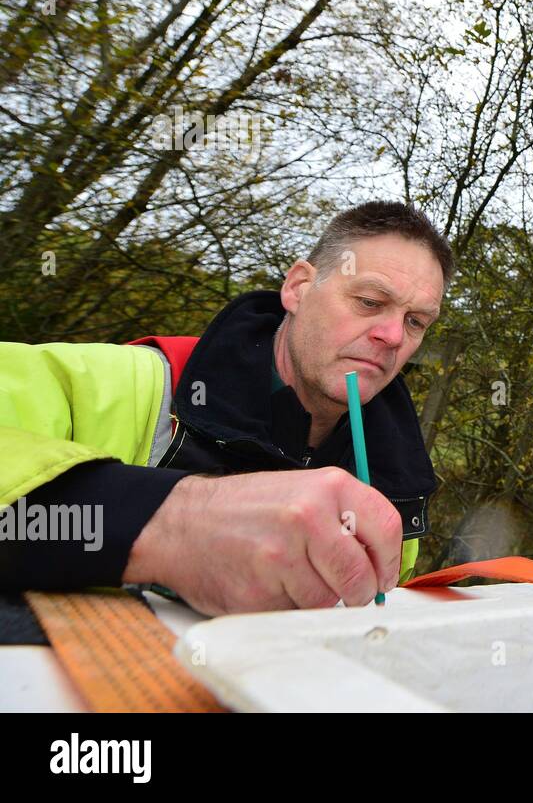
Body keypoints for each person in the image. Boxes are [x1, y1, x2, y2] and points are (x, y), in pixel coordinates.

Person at [1, 202, 455, 614]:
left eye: (415, 322)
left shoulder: (400, 485)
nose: (393, 337)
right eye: (370, 302)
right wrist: (168, 522)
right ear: (299, 287)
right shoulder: (124, 383)